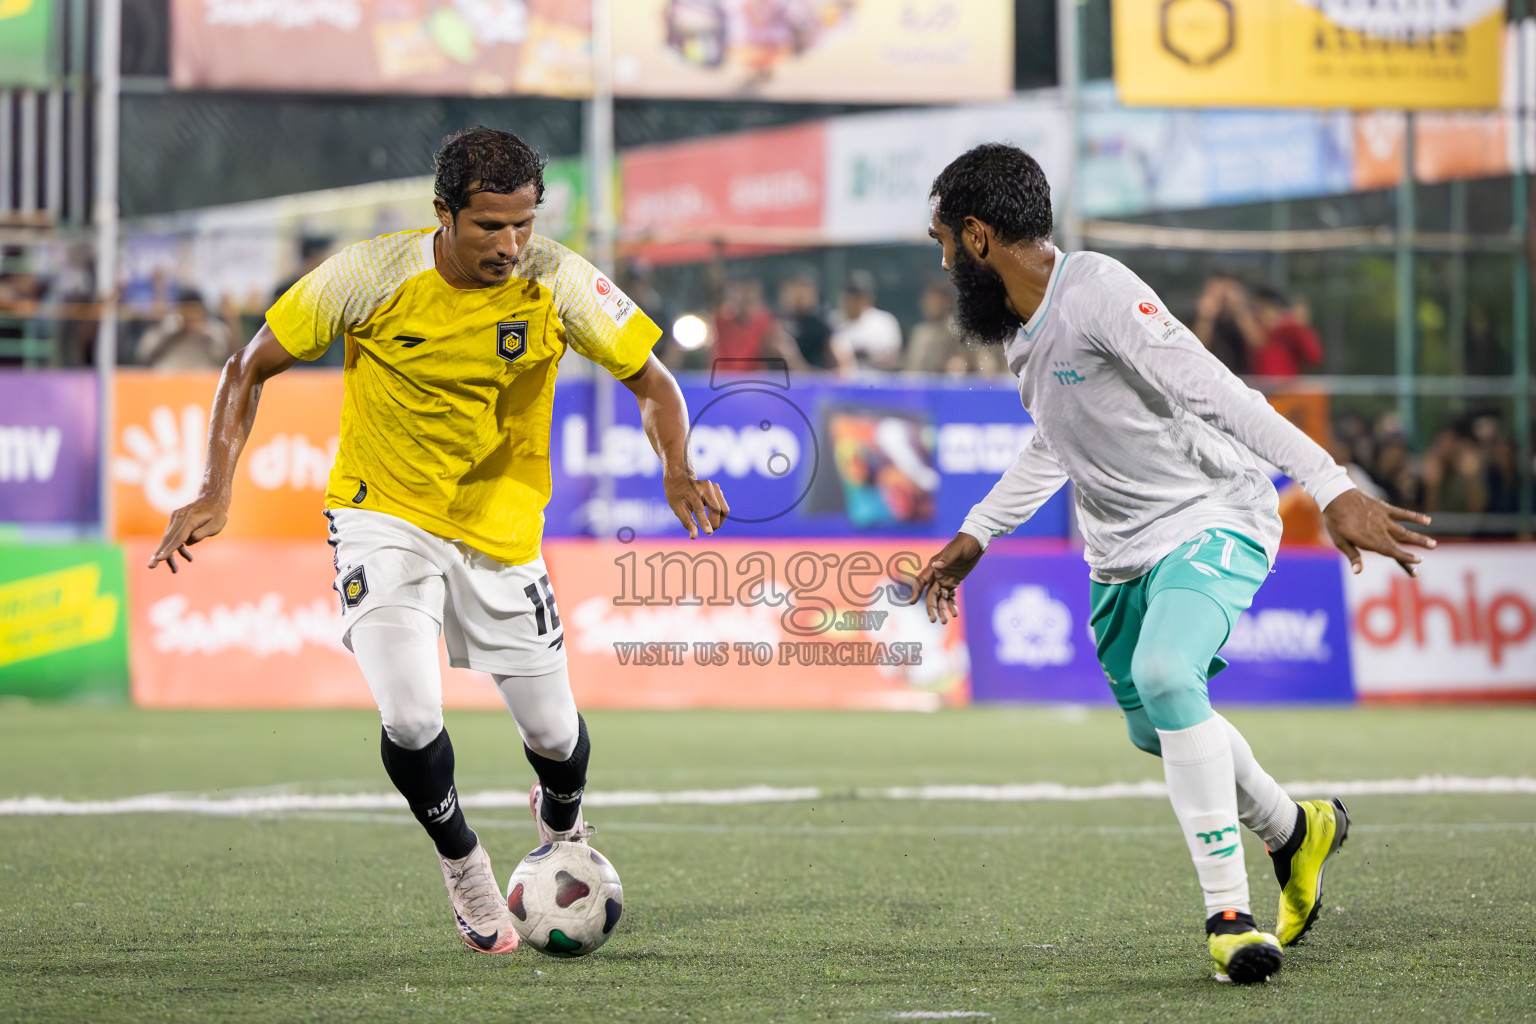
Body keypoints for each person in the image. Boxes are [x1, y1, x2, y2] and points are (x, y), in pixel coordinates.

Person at [147, 127, 729, 956]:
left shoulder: (558, 278)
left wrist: (677, 467)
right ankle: (462, 863)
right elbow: (247, 366)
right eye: (490, 226)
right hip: (382, 513)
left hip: (503, 532)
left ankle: (559, 825)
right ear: (443, 213)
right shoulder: (370, 274)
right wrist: (215, 485)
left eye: (524, 223)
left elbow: (654, 379)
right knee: (414, 715)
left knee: (558, 740)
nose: (511, 244)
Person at [908, 143, 1435, 985]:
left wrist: (1329, 484)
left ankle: (1230, 918)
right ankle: (1297, 833)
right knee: (1159, 722)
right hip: (1120, 555)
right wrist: (978, 533)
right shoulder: (1021, 337)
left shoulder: (1101, 293)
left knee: (1164, 671)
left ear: (976, 237)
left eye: (941, 242)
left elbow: (1218, 392)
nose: (940, 263)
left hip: (1212, 515)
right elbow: (1055, 440)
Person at [903, 278, 1007, 375]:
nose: (932, 305)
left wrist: (961, 362)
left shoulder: (956, 330)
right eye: (929, 300)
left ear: (946, 302)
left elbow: (980, 362)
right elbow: (910, 366)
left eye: (936, 301)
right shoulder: (920, 332)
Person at [135, 288, 235, 371]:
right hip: (170, 375)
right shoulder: (168, 325)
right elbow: (144, 354)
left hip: (200, 378)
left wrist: (203, 330)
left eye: (195, 311)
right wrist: (175, 331)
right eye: (187, 311)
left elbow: (223, 353)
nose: (191, 316)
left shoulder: (214, 328)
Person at [830, 269, 902, 373]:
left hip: (878, 381)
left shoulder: (884, 321)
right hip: (844, 383)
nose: (853, 301)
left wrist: (866, 356)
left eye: (858, 296)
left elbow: (893, 356)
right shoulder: (833, 321)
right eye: (850, 296)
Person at [1191, 274, 1260, 375]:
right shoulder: (1202, 319)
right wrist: (1206, 317)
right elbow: (1197, 350)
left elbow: (1257, 344)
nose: (1222, 299)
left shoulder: (1245, 317)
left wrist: (1237, 307)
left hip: (1244, 377)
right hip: (1212, 375)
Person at [1250, 287, 1323, 379]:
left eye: (1265, 308)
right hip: (1257, 388)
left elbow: (1314, 357)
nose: (1261, 314)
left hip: (1285, 390)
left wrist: (1300, 327)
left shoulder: (1290, 329)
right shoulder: (1249, 328)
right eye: (1257, 310)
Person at [777, 271, 835, 370]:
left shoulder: (821, 327)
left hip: (813, 381)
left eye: (804, 294)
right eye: (794, 293)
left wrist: (793, 360)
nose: (799, 299)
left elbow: (838, 366)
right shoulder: (777, 324)